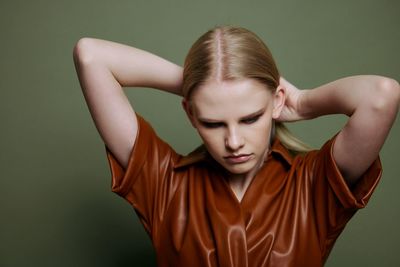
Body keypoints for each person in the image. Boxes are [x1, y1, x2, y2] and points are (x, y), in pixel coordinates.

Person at [73, 25, 399, 267]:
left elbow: (382, 96)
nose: (233, 142)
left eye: (250, 118)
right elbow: (90, 56)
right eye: (213, 122)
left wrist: (301, 103)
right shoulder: (164, 184)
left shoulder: (314, 186)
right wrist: (200, 83)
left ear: (276, 102)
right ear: (191, 114)